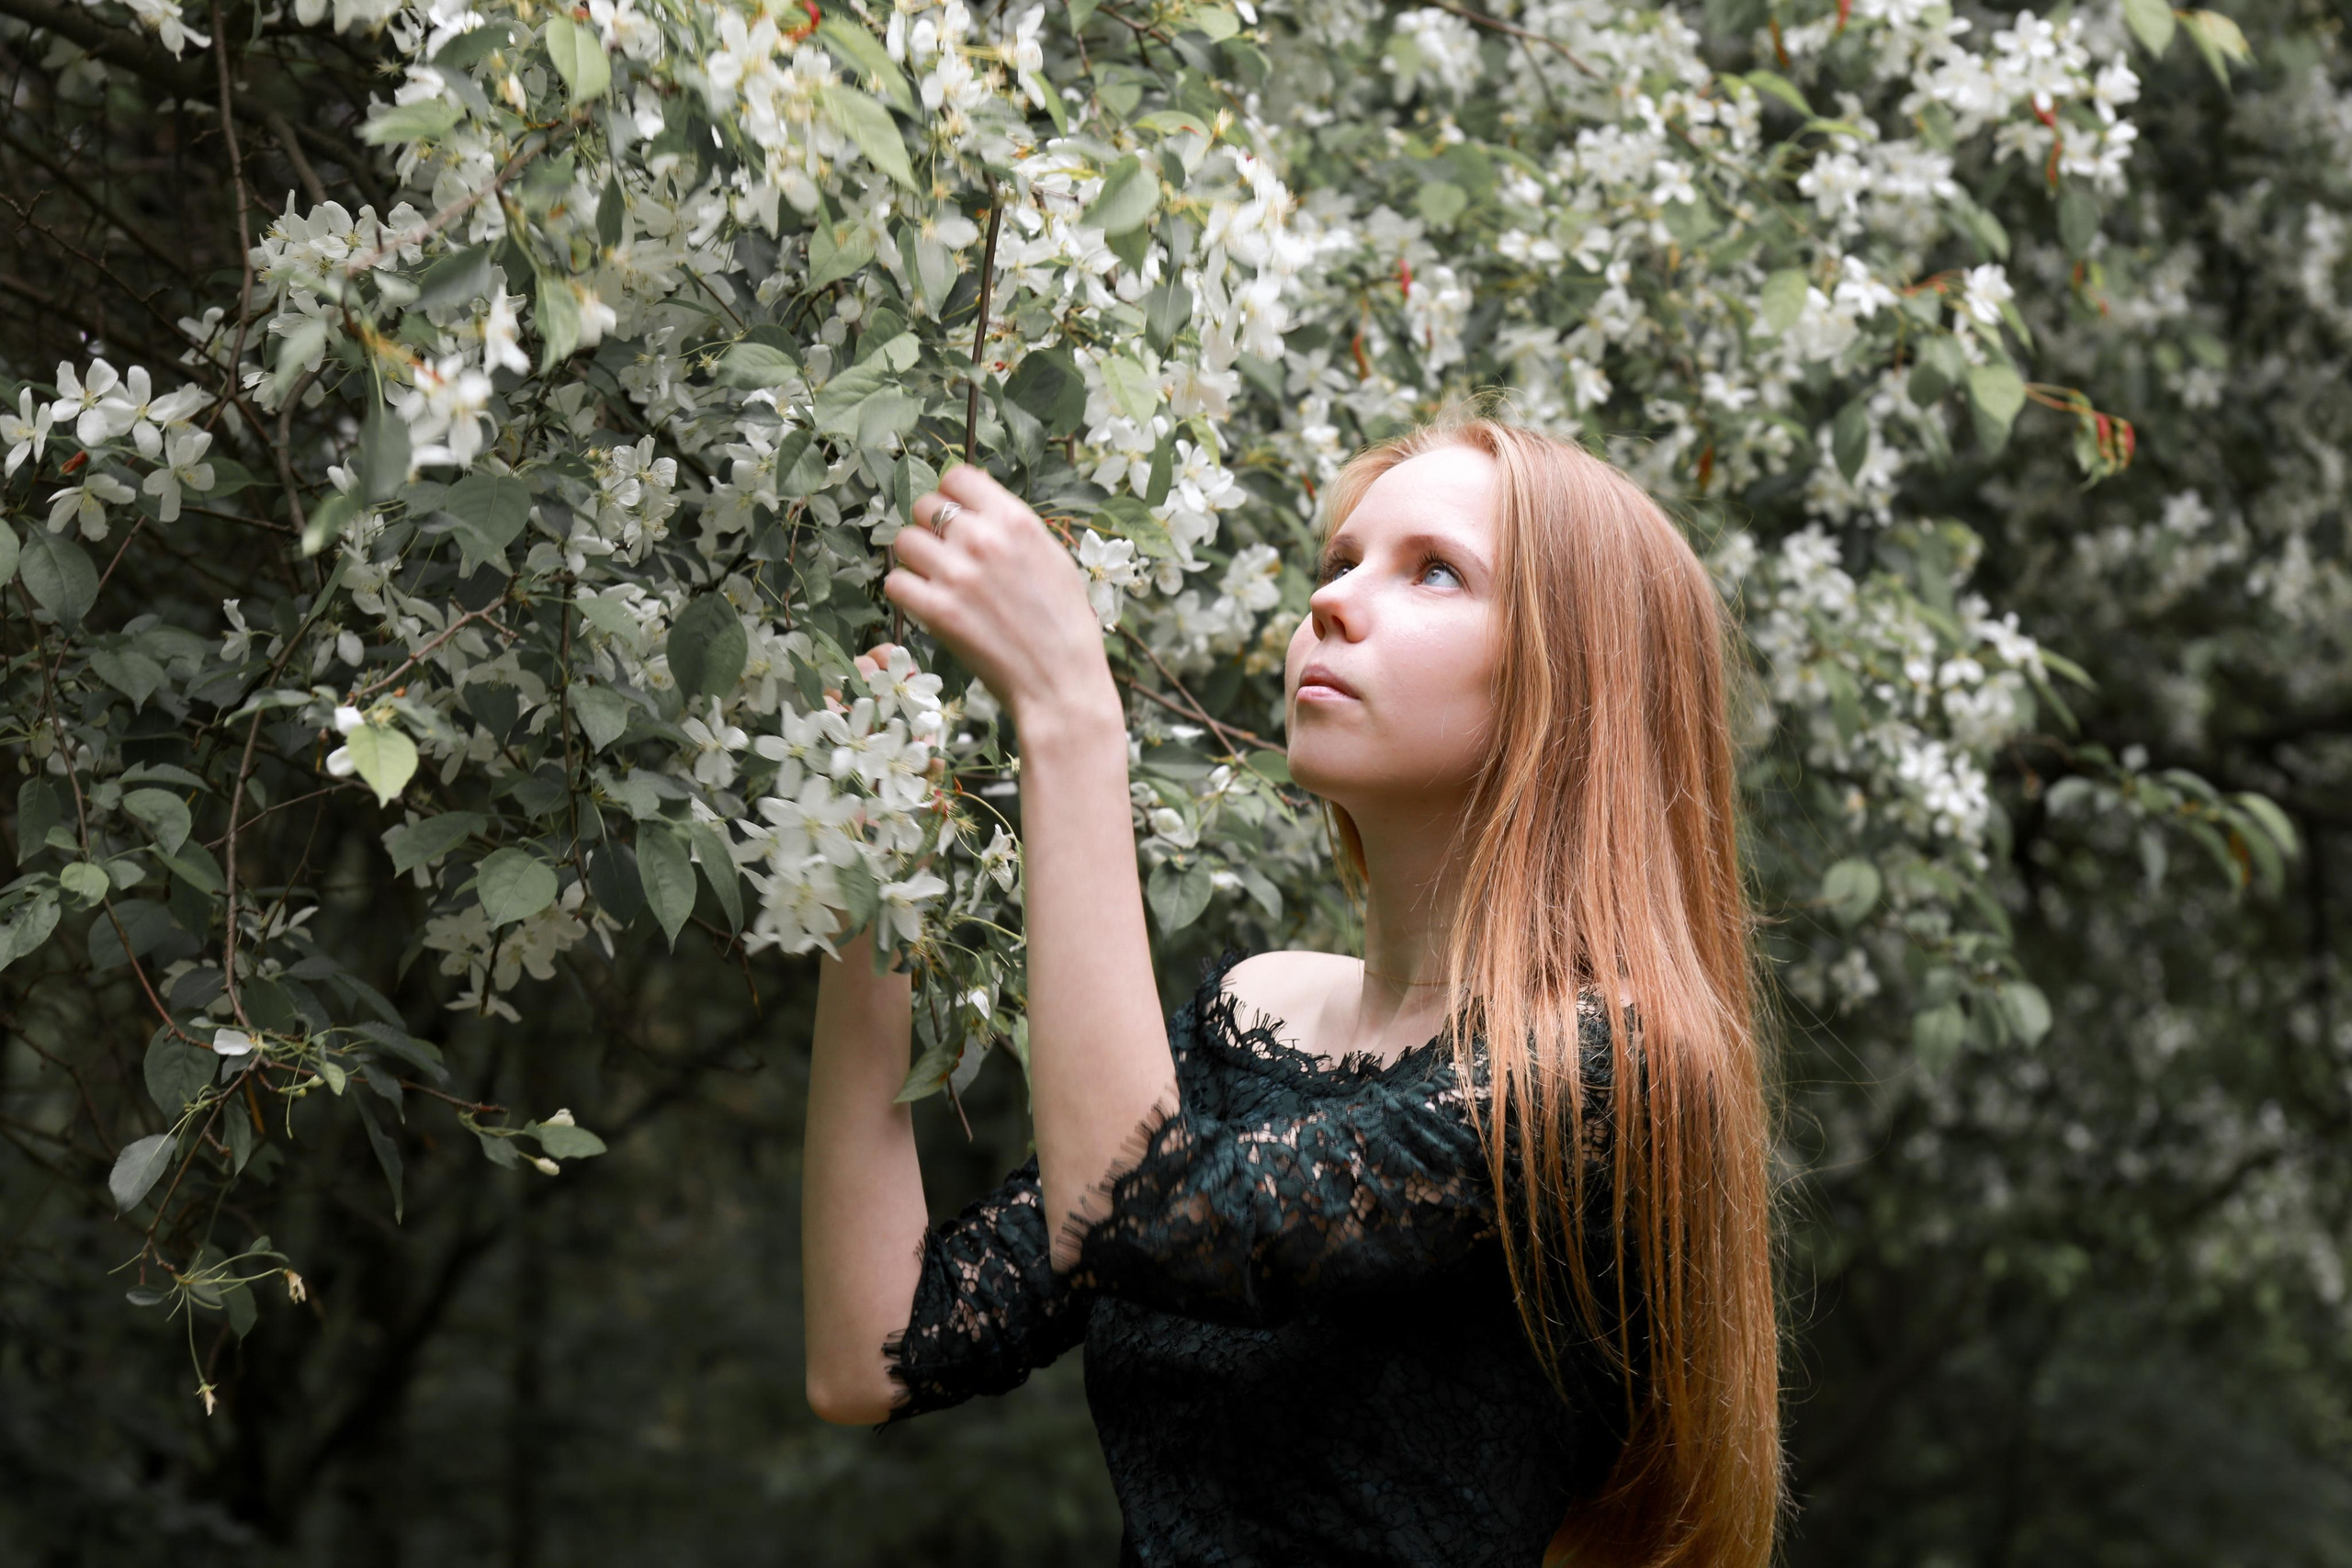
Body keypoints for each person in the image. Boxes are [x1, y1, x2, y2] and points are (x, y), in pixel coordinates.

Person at [798, 412, 1781, 1567]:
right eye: (1341, 560)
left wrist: (1071, 714)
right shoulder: (1256, 1013)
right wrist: (871, 877)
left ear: (1576, 683)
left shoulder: (1608, 1065)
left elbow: (1151, 1219)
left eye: (1434, 571)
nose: (1332, 600)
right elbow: (877, 1353)